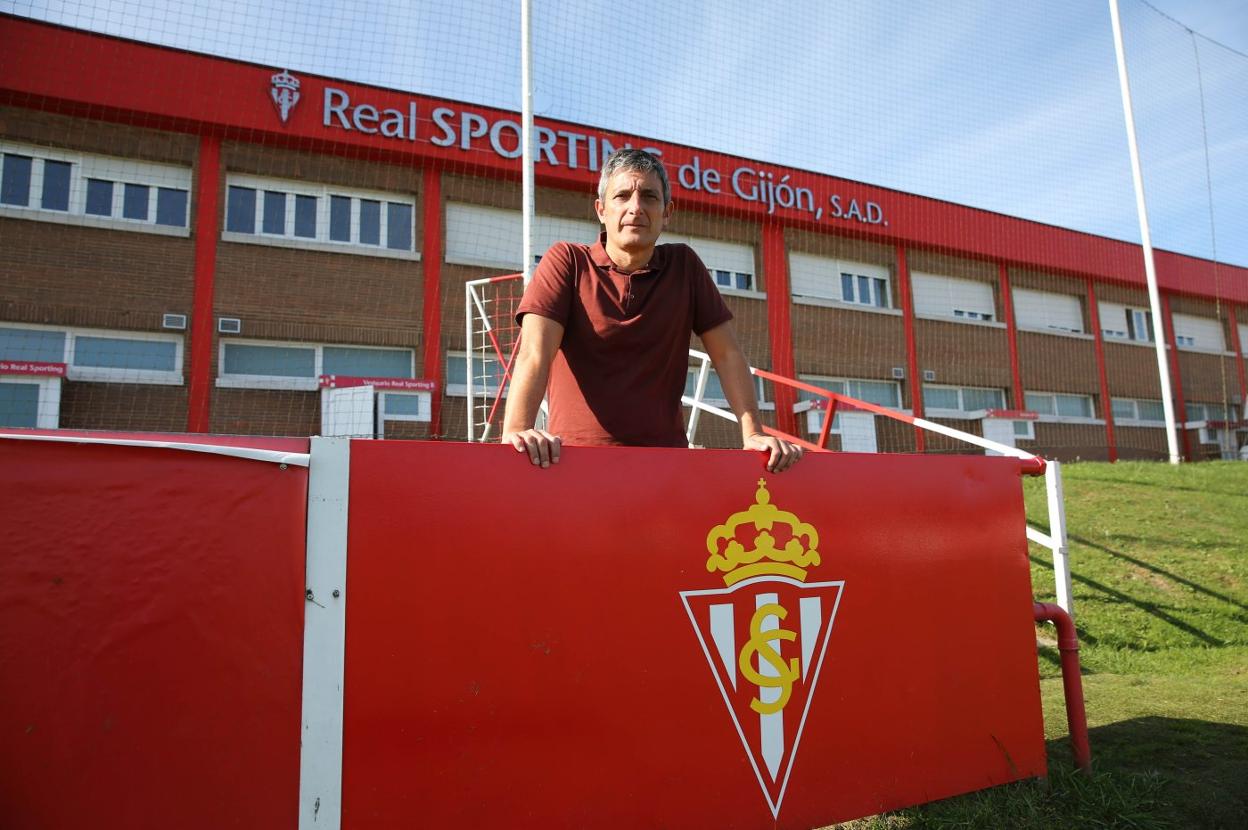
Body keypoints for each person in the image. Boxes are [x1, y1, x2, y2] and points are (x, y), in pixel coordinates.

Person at [500, 148, 803, 473]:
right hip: (574, 465)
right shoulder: (568, 262)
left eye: (649, 196)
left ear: (667, 212)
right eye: (622, 196)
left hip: (666, 469)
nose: (635, 208)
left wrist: (753, 433)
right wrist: (516, 430)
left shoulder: (684, 267)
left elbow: (728, 355)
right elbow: (534, 352)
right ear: (601, 209)